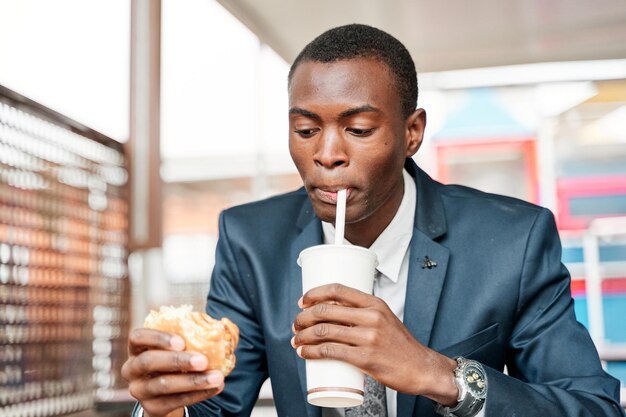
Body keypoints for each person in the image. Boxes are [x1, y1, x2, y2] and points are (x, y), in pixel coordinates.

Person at [121, 24, 625, 417]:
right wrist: (168, 404)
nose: (327, 154)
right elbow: (216, 407)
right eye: (305, 128)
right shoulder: (251, 241)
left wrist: (439, 374)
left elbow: (593, 406)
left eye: (358, 128)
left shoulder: (512, 241)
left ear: (412, 132)